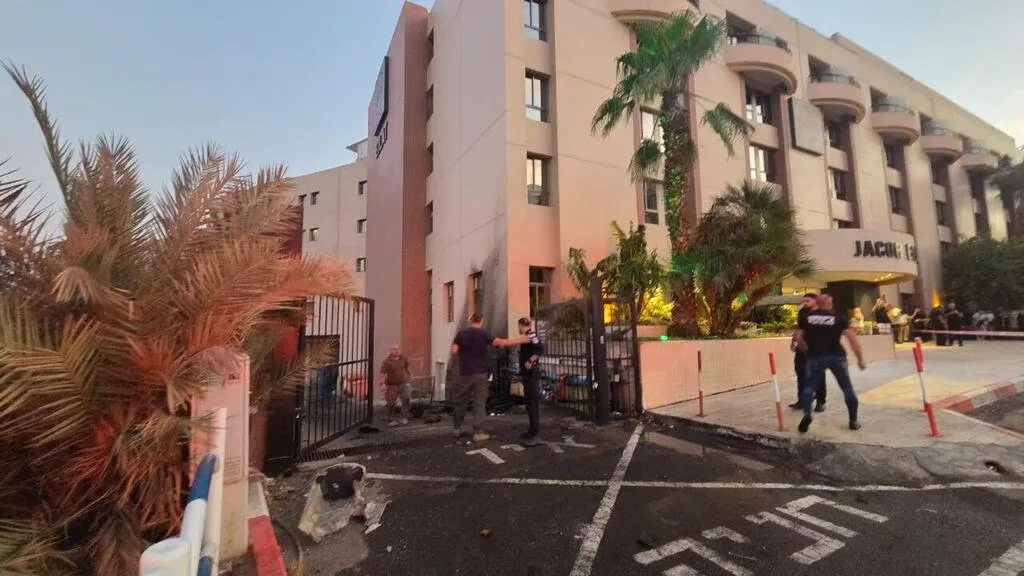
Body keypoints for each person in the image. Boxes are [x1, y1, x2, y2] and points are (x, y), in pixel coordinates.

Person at [450, 313, 531, 443]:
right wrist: (521, 340)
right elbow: (499, 342)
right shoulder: (483, 334)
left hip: (464, 372)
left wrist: (466, 355)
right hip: (481, 373)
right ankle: (478, 432)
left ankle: (457, 428)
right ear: (482, 320)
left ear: (471, 320)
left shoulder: (461, 334)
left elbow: (454, 350)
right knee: (479, 402)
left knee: (461, 401)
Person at [794, 294, 867, 434]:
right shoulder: (839, 318)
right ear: (830, 304)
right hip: (837, 356)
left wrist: (808, 351)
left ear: (817, 303)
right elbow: (852, 340)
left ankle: (807, 414)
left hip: (815, 356)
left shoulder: (807, 317)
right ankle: (853, 420)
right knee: (847, 388)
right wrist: (860, 359)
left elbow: (798, 338)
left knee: (808, 388)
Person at [788, 293, 825, 412]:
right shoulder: (802, 312)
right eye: (804, 301)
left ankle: (820, 402)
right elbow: (798, 328)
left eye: (807, 301)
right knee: (801, 373)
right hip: (802, 347)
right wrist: (793, 341)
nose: (805, 303)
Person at [516, 317, 544, 445]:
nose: (518, 329)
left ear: (522, 325)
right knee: (529, 402)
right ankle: (532, 430)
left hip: (531, 374)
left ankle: (535, 432)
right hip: (528, 374)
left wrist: (530, 361)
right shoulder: (528, 335)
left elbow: (540, 349)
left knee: (532, 402)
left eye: (519, 326)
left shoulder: (531, 334)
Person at [379, 344, 412, 426]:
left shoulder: (404, 358)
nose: (397, 351)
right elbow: (383, 373)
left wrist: (409, 376)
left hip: (403, 383)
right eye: (394, 349)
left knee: (406, 399)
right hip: (392, 385)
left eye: (398, 349)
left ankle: (404, 417)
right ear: (391, 351)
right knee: (391, 402)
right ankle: (391, 419)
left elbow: (408, 367)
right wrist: (382, 384)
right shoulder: (387, 362)